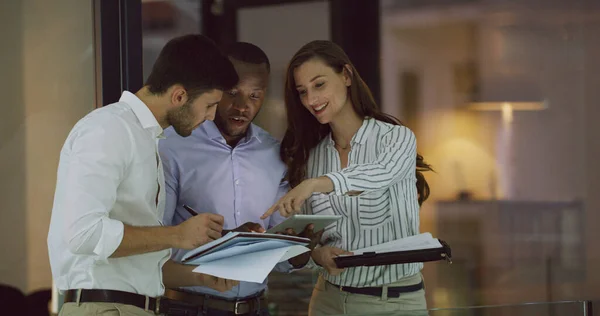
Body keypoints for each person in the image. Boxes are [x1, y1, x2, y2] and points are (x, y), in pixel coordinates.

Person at [47, 34, 242, 316]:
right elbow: (83, 234)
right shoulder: (109, 129)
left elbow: (132, 266)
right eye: (209, 105)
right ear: (179, 96)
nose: (211, 117)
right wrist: (177, 235)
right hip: (104, 308)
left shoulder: (145, 138)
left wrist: (200, 277)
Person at [261, 40, 433, 315]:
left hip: (394, 303)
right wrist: (317, 255)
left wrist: (316, 184)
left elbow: (382, 172)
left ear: (346, 75)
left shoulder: (397, 138)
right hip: (328, 301)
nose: (311, 100)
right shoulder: (312, 158)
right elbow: (311, 236)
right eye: (303, 92)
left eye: (319, 85)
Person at [159, 42, 314, 316]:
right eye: (233, 93)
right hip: (187, 308)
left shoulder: (274, 153)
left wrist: (297, 249)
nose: (243, 107)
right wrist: (225, 243)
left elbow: (279, 252)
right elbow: (154, 242)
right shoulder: (172, 146)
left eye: (255, 95)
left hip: (257, 307)